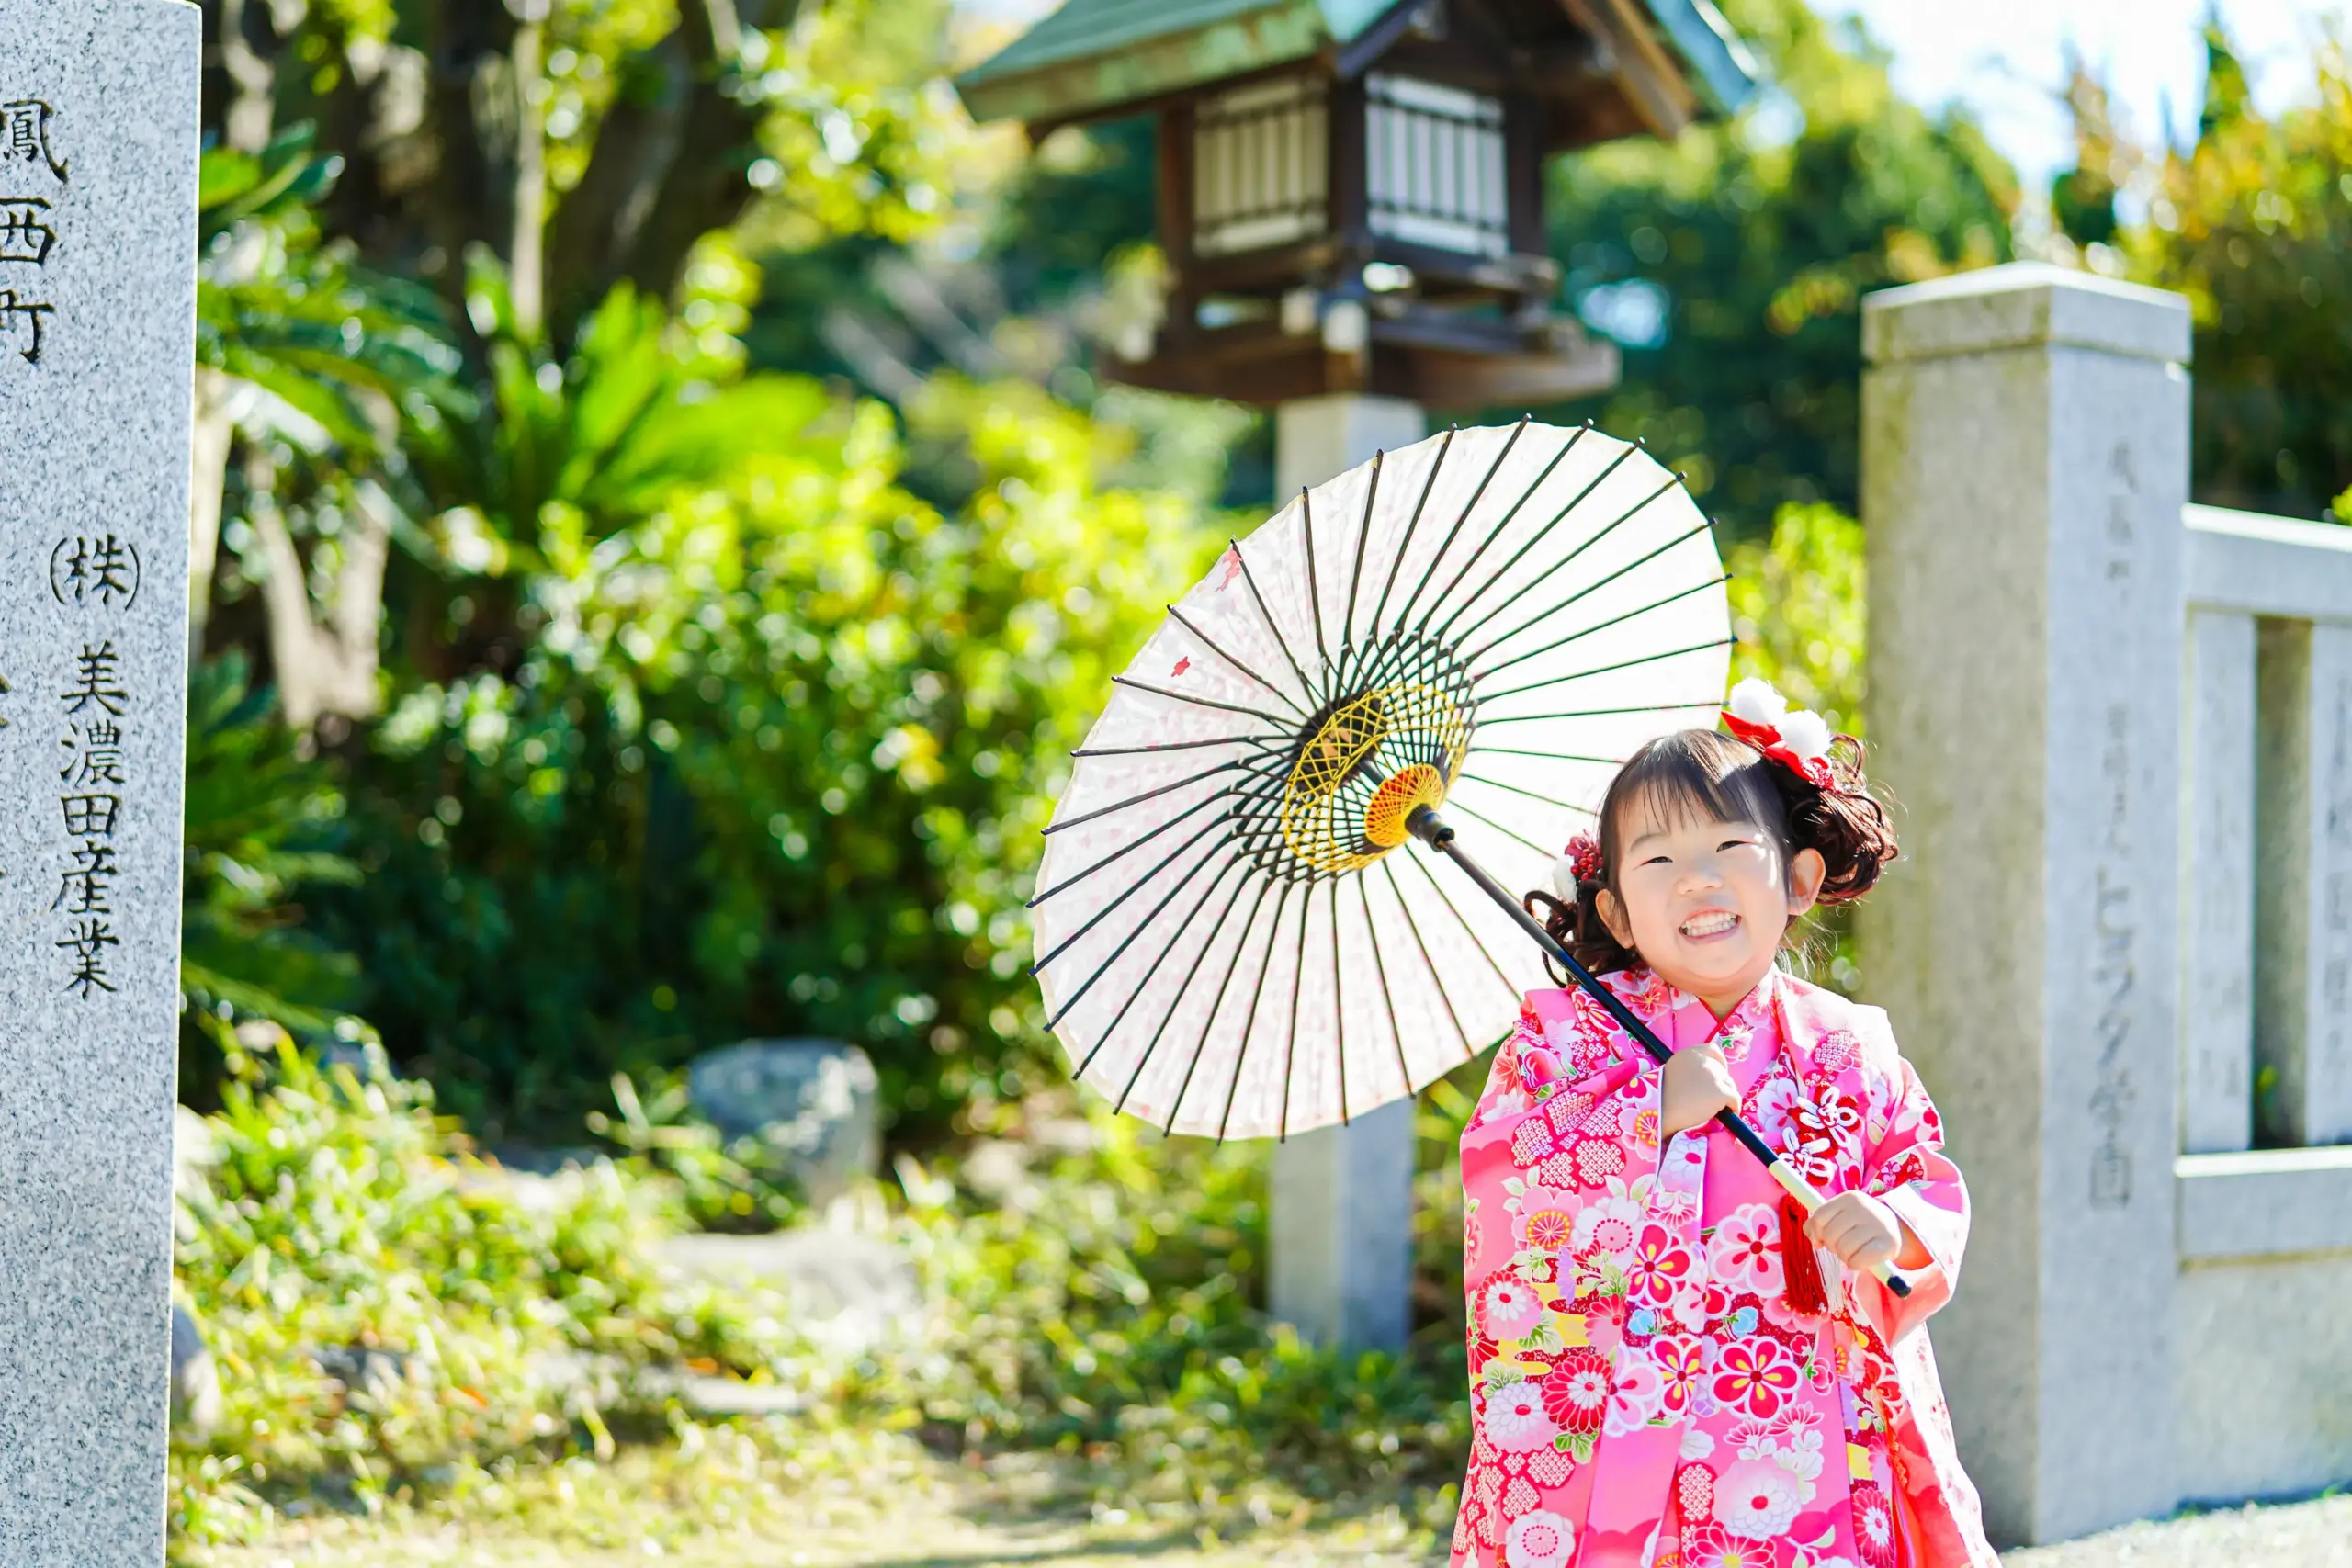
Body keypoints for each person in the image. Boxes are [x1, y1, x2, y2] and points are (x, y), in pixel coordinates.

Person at [1448, 679, 1996, 1568]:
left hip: (1802, 1430)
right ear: (1618, 911)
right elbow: (1502, 1175)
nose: (1698, 879)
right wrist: (1644, 1112)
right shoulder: (1567, 1035)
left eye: (1730, 846)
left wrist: (1892, 1226)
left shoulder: (1847, 1046)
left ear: (1799, 878)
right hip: (1625, 1423)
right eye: (1657, 861)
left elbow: (1921, 1173)